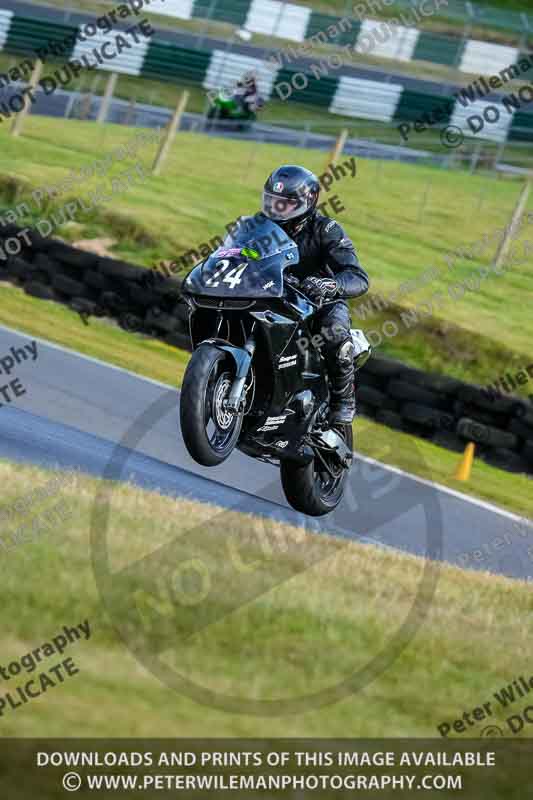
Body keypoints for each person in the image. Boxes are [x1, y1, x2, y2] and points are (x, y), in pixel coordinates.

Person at [262, 164, 369, 425]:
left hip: (319, 302)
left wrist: (329, 285)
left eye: (285, 203)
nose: (278, 209)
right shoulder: (260, 228)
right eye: (272, 201)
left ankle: (343, 401)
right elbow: (239, 253)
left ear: (307, 202)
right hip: (274, 297)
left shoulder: (326, 229)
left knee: (334, 333)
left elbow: (357, 276)